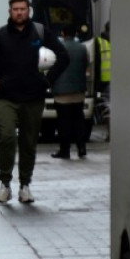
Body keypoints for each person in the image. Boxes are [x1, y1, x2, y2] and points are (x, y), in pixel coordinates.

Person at [0, 0, 69, 204]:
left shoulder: (39, 32)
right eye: (15, 9)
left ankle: (25, 185)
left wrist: (48, 81)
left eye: (23, 9)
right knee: (7, 137)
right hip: (6, 97)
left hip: (33, 98)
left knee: (29, 142)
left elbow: (63, 55)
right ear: (9, 11)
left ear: (28, 11)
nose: (19, 12)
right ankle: (5, 184)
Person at [50, 25, 89, 159]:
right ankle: (81, 147)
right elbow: (85, 65)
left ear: (62, 33)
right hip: (78, 90)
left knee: (63, 121)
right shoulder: (83, 48)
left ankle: (64, 150)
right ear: (76, 33)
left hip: (61, 92)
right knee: (79, 119)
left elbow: (53, 66)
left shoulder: (58, 48)